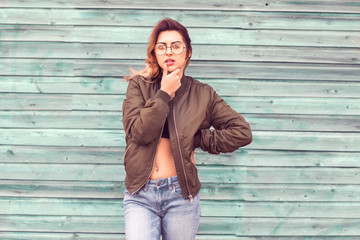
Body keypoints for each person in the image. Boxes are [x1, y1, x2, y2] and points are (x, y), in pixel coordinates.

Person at [122, 18, 252, 240]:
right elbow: (138, 133)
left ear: (188, 52)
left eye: (176, 45)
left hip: (180, 194)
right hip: (140, 194)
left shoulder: (202, 94)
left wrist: (200, 139)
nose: (168, 51)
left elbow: (241, 132)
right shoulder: (139, 86)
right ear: (154, 53)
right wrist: (163, 93)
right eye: (161, 46)